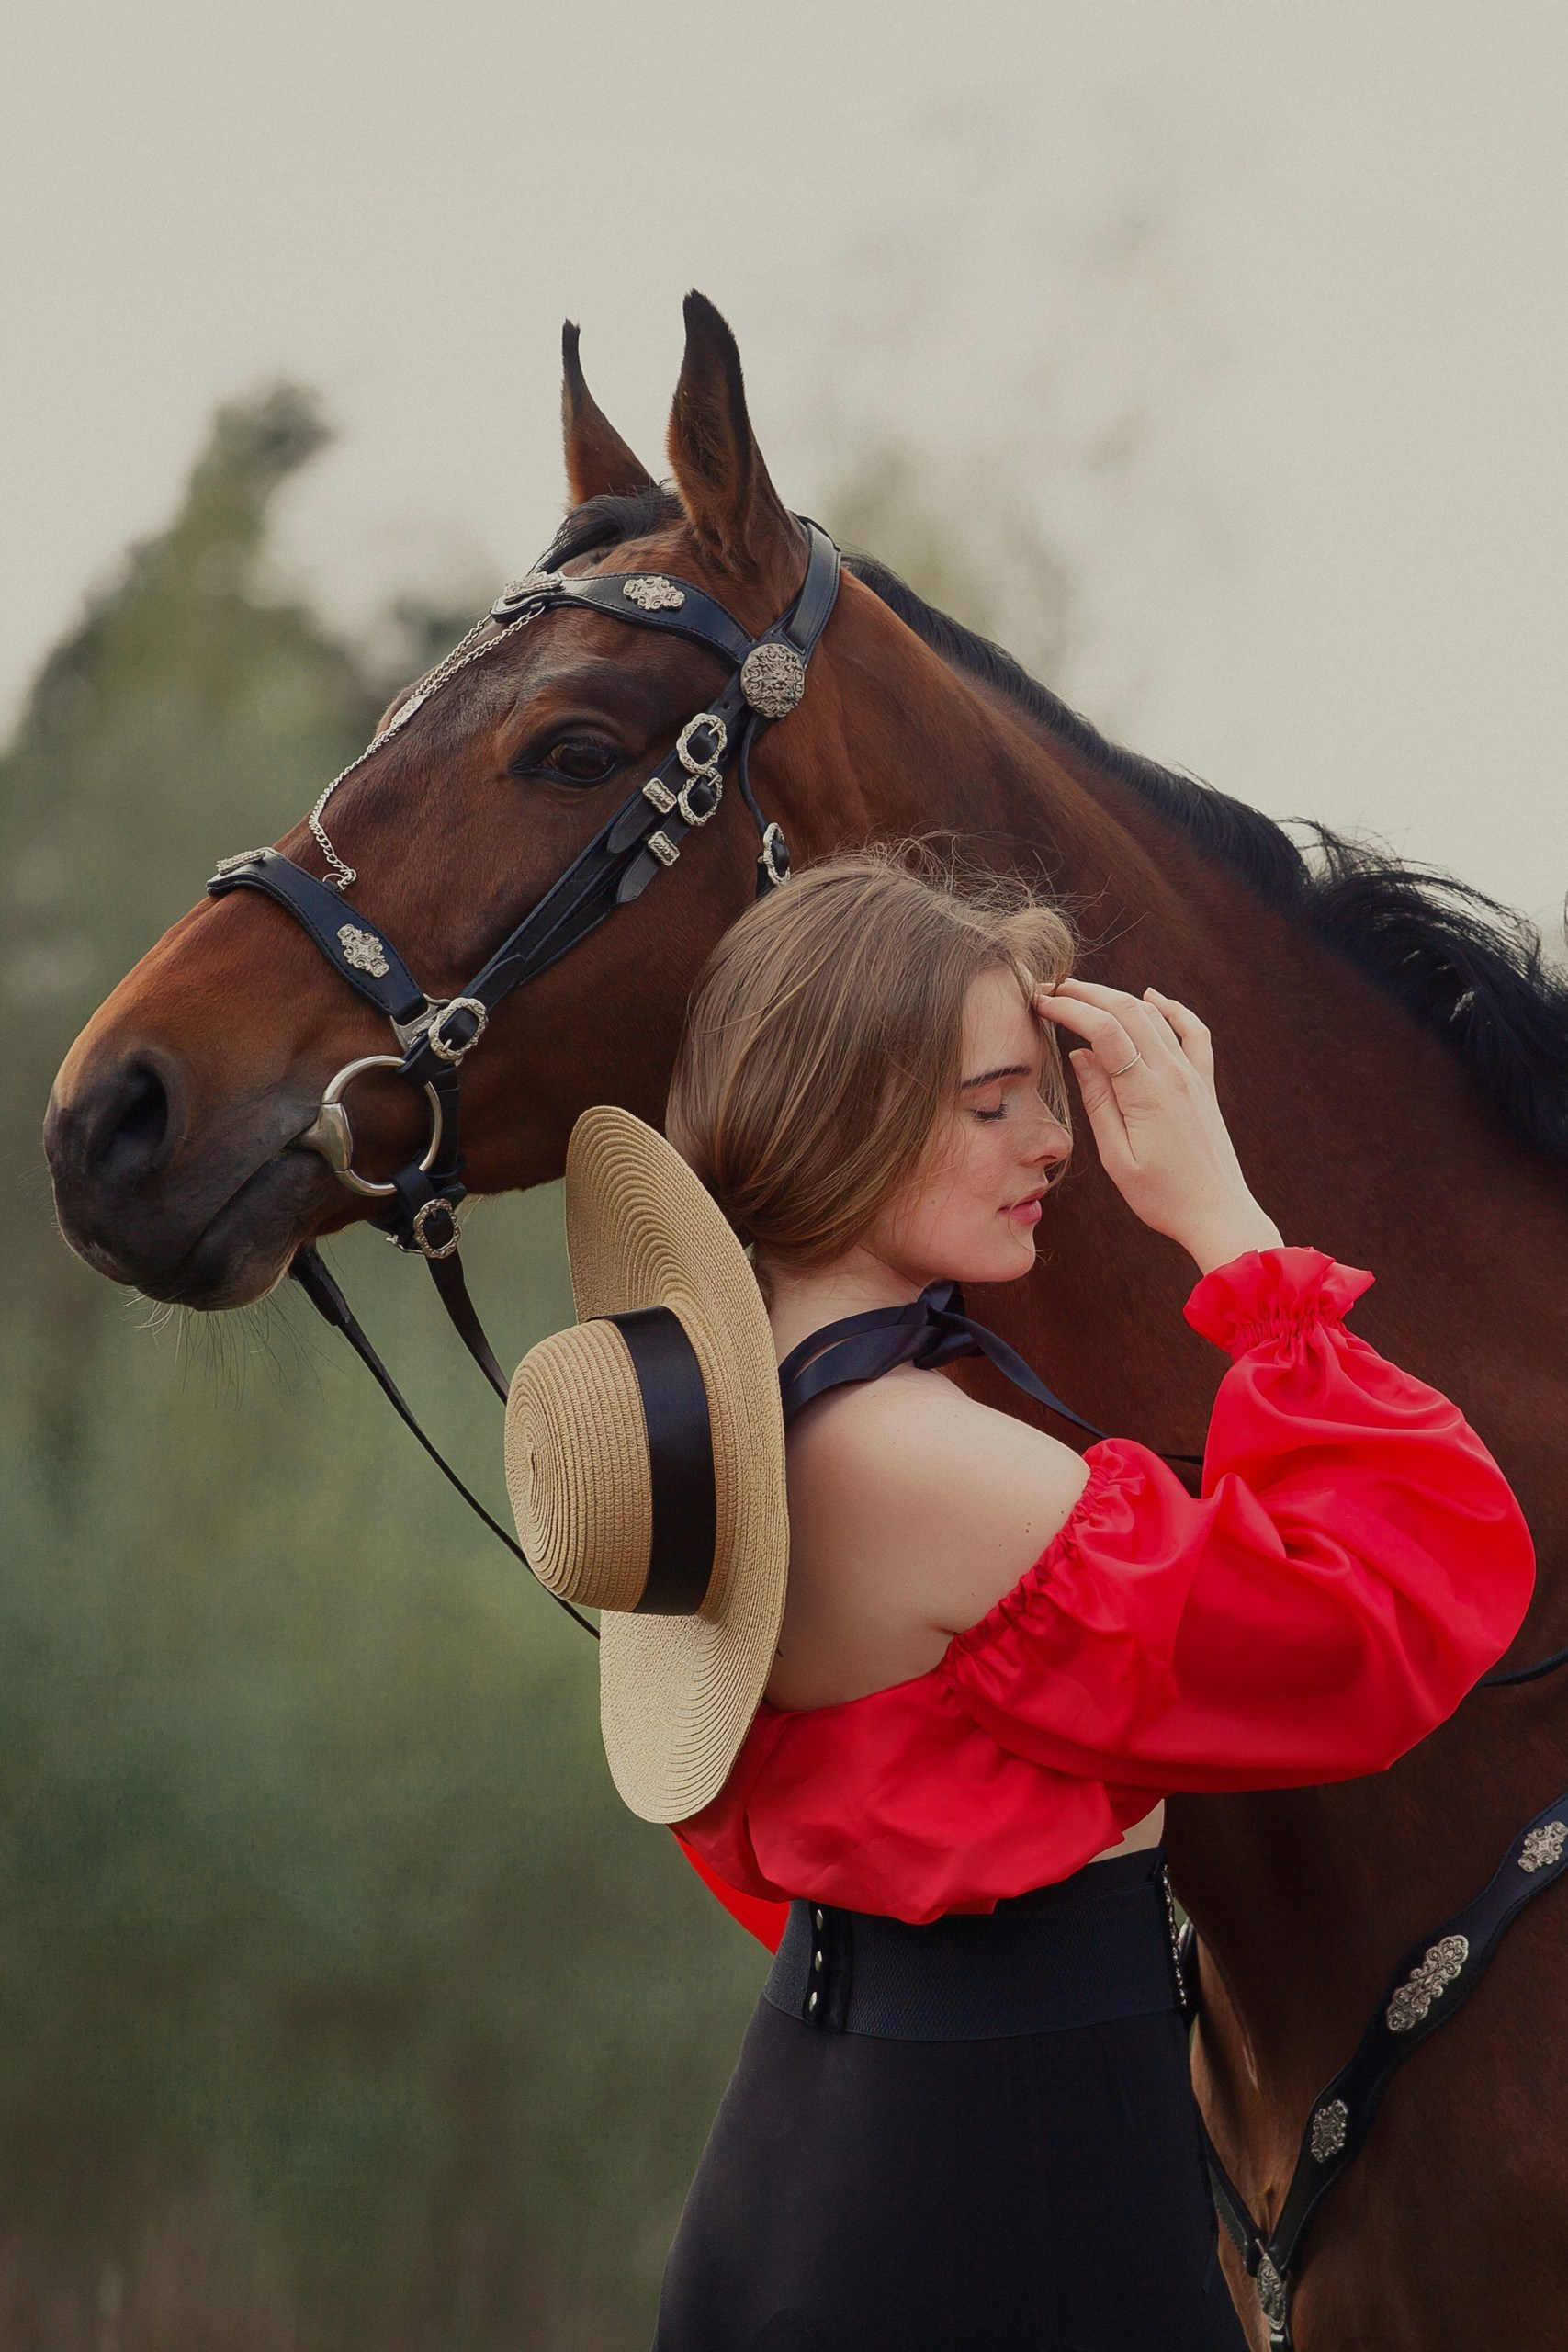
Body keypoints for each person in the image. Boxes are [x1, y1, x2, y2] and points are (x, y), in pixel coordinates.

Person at [502, 850, 1533, 2352]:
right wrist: (1232, 1231)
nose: (1054, 1139)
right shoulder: (929, 1465)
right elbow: (1384, 1617)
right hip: (1006, 2188)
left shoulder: (741, 1442)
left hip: (816, 2159)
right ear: (843, 1109)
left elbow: (795, 1850)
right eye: (996, 1104)